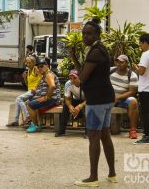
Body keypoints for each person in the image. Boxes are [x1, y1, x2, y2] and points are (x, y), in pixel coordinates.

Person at [71, 20, 116, 187]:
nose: (85, 36)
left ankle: (93, 177)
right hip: (106, 97)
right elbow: (84, 70)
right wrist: (74, 57)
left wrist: (77, 81)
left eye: (89, 33)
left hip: (97, 99)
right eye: (83, 33)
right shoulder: (99, 50)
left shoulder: (95, 52)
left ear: (98, 35)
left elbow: (82, 77)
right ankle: (112, 173)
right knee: (105, 135)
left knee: (94, 136)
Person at [26, 58, 61, 133]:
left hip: (53, 99)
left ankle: (35, 125)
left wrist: (46, 97)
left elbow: (52, 86)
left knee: (30, 105)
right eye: (38, 67)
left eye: (41, 66)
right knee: (30, 101)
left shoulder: (49, 75)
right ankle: (37, 123)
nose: (39, 68)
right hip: (50, 99)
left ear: (47, 66)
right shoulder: (44, 75)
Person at [6, 56, 41, 127]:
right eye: (27, 63)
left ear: (34, 63)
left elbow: (41, 78)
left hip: (35, 91)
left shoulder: (36, 69)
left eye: (29, 63)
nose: (28, 64)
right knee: (17, 100)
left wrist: (36, 88)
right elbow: (27, 84)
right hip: (30, 91)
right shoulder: (28, 71)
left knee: (19, 98)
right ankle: (16, 121)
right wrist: (24, 78)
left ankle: (28, 116)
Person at [110, 54, 139, 139]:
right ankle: (101, 129)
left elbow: (132, 92)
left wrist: (117, 98)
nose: (119, 64)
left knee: (133, 102)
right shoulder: (110, 70)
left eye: (122, 62)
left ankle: (133, 130)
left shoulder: (132, 75)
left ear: (127, 63)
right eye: (117, 62)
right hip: (109, 97)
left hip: (123, 99)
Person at [55, 70, 87, 138]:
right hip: (76, 99)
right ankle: (62, 129)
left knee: (89, 108)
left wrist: (80, 106)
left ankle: (88, 131)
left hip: (87, 101)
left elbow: (90, 99)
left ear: (79, 77)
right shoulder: (68, 84)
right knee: (65, 106)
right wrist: (70, 106)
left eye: (75, 78)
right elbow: (67, 98)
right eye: (71, 78)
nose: (72, 80)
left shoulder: (86, 83)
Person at [132, 33, 149, 144]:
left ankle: (147, 136)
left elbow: (141, 72)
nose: (140, 46)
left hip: (145, 89)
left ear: (145, 43)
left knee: (146, 113)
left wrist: (135, 68)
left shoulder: (145, 54)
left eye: (140, 43)